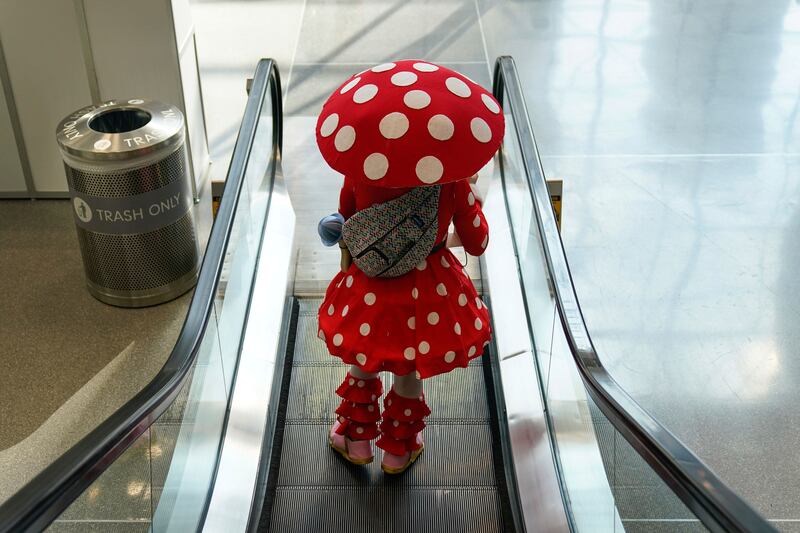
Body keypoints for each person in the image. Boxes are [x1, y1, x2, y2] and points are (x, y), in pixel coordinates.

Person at [314, 59, 504, 474]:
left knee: (365, 358)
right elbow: (477, 240)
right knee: (409, 365)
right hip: (428, 289)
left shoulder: (359, 172)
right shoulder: (451, 181)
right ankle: (398, 450)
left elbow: (348, 222)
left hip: (369, 286)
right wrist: (468, 203)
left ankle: (355, 439)